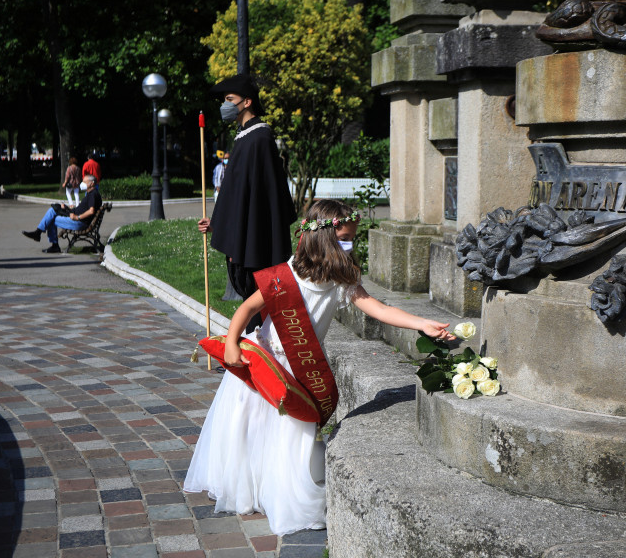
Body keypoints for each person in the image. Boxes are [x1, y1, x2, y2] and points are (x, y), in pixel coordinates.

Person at [184, 199, 456, 535]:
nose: (350, 246)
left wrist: (421, 323)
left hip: (300, 370)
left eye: (353, 239)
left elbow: (378, 309)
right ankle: (250, 490)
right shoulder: (287, 276)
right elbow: (246, 309)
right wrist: (229, 345)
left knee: (289, 438)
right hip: (266, 362)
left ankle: (280, 492)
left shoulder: (343, 283)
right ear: (323, 239)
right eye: (345, 239)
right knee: (250, 431)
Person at [197, 73, 296, 331]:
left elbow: (259, 197)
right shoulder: (244, 136)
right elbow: (236, 192)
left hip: (257, 237)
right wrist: (217, 223)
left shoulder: (259, 138)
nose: (225, 106)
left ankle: (258, 353)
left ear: (247, 102)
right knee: (250, 297)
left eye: (230, 99)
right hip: (245, 232)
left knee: (258, 300)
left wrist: (239, 232)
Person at [21, 174, 101, 254]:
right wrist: (67, 208)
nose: (82, 183)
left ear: (92, 183)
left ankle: (51, 243)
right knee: (54, 209)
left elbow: (91, 211)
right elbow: (83, 209)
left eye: (84, 182)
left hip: (79, 223)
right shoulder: (91, 194)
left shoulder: (93, 195)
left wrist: (78, 217)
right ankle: (38, 233)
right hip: (75, 218)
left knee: (51, 219)